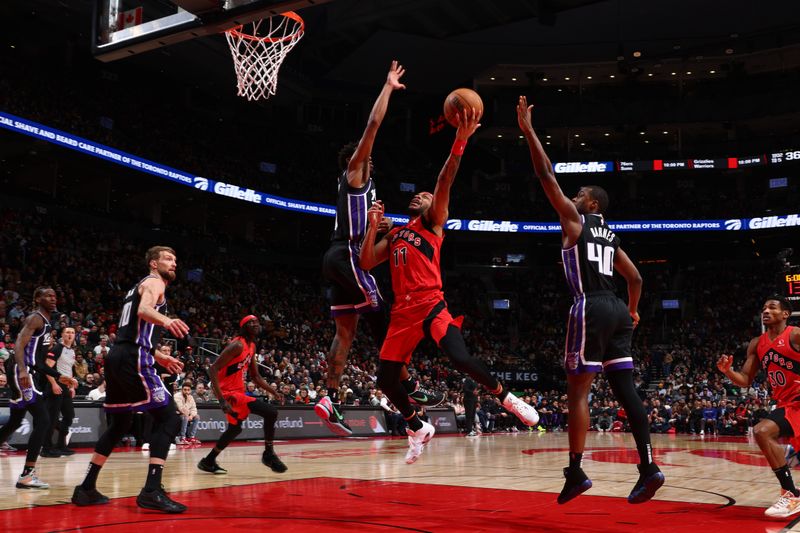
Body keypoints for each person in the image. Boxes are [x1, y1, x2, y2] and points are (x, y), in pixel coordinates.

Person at [360, 108, 539, 464]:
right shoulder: (395, 232)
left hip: (431, 303)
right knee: (385, 379)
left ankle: (507, 398)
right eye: (419, 196)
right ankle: (417, 425)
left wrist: (459, 142)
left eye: (425, 196)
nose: (421, 197)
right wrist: (372, 224)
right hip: (402, 311)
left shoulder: (432, 224)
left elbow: (444, 182)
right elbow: (366, 262)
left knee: (459, 357)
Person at [516, 96, 663, 504]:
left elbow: (545, 174)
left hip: (591, 305)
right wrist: (632, 309)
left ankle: (577, 472)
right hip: (617, 308)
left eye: (580, 192)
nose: (575, 195)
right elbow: (635, 277)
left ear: (592, 204)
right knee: (626, 389)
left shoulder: (576, 221)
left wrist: (528, 131)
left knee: (577, 393)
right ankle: (648, 465)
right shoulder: (611, 236)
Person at [319, 60, 441, 437]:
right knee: (385, 318)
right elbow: (372, 126)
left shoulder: (367, 192)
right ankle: (407, 384)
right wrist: (388, 86)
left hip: (340, 257)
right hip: (348, 256)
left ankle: (329, 397)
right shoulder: (355, 171)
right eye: (367, 156)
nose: (371, 159)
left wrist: (382, 226)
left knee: (346, 333)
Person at [72, 246, 190, 513]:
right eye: (168, 259)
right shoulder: (153, 282)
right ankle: (151, 490)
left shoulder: (134, 288)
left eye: (175, 260)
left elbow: (132, 331)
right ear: (152, 263)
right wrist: (167, 320)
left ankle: (86, 488)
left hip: (120, 356)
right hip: (133, 358)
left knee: (120, 423)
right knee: (170, 418)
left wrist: (160, 356)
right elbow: (145, 311)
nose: (173, 264)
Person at [717, 296, 800, 518]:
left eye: (772, 307)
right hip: (785, 404)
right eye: (763, 307)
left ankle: (791, 494)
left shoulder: (795, 334)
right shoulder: (757, 343)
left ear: (785, 314)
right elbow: (744, 379)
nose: (766, 310)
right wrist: (727, 371)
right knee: (764, 433)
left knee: (762, 431)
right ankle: (791, 490)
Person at [0, 287, 77, 488]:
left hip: (26, 371)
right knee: (43, 420)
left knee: (14, 422)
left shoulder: (46, 322)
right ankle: (27, 474)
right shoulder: (35, 318)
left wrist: (61, 376)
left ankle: (27, 474)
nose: (53, 298)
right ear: (37, 299)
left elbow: (40, 363)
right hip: (21, 371)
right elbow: (18, 345)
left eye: (54, 295)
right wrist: (23, 371)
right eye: (48, 296)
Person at [199, 316, 286, 475]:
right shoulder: (237, 345)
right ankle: (268, 453)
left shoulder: (251, 345)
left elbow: (256, 376)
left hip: (238, 392)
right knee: (271, 412)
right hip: (229, 393)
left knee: (234, 429)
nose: (255, 324)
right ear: (243, 327)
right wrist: (221, 400)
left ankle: (208, 461)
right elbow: (213, 369)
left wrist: (274, 391)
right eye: (250, 322)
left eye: (257, 322)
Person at [42, 326, 79, 457]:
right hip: (55, 386)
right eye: (67, 332)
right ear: (62, 335)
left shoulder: (72, 351)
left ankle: (61, 445)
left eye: (73, 332)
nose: (70, 334)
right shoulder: (57, 348)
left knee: (69, 416)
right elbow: (47, 367)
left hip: (65, 387)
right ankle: (46, 449)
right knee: (52, 419)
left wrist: (71, 386)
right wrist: (53, 384)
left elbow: (68, 370)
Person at [174, 380, 199, 444]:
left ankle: (191, 437)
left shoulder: (191, 397)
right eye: (185, 389)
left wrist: (192, 415)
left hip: (186, 414)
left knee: (197, 417)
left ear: (190, 390)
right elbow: (181, 409)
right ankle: (183, 438)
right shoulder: (177, 396)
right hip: (176, 414)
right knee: (185, 417)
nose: (186, 391)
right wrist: (187, 401)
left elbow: (194, 408)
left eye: (188, 390)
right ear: (182, 389)